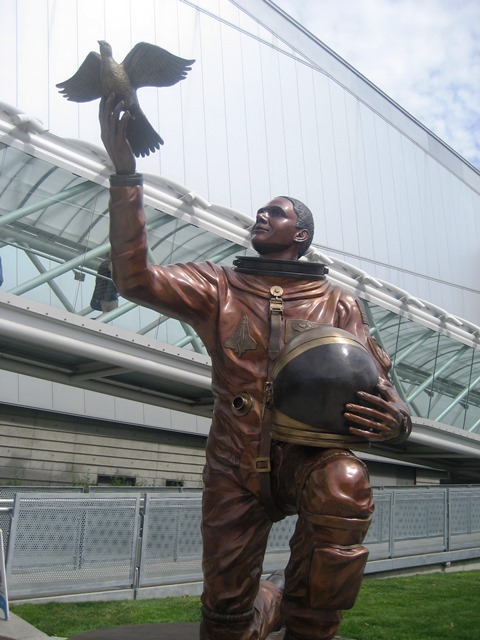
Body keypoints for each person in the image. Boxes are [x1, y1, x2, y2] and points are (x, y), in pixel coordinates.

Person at [99, 94, 412, 640]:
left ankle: (309, 618)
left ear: (300, 236)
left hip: (309, 457)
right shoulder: (219, 285)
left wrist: (398, 421)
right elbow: (135, 279)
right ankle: (266, 604)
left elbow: (382, 386)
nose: (261, 216)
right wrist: (126, 176)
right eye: (261, 211)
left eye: (277, 213)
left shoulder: (339, 304)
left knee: (346, 481)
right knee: (223, 620)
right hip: (234, 461)